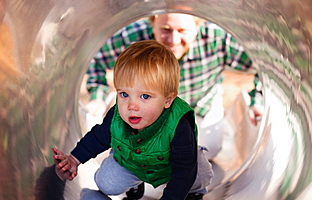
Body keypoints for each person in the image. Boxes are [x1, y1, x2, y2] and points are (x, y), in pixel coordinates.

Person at [53, 40, 213, 200]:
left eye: (145, 96)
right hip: (132, 160)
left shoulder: (179, 125)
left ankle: (192, 198)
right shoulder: (117, 116)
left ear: (168, 100)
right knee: (105, 184)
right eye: (124, 94)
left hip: (174, 165)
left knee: (198, 172)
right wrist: (74, 159)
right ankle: (134, 185)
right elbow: (98, 137)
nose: (131, 105)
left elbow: (184, 170)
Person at [84, 13, 263, 159]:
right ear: (152, 23)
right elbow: (97, 59)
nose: (173, 40)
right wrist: (97, 97)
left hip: (199, 105)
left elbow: (264, 67)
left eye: (182, 30)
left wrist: (258, 100)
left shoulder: (217, 39)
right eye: (165, 30)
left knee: (205, 152)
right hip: (149, 110)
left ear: (197, 25)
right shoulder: (133, 37)